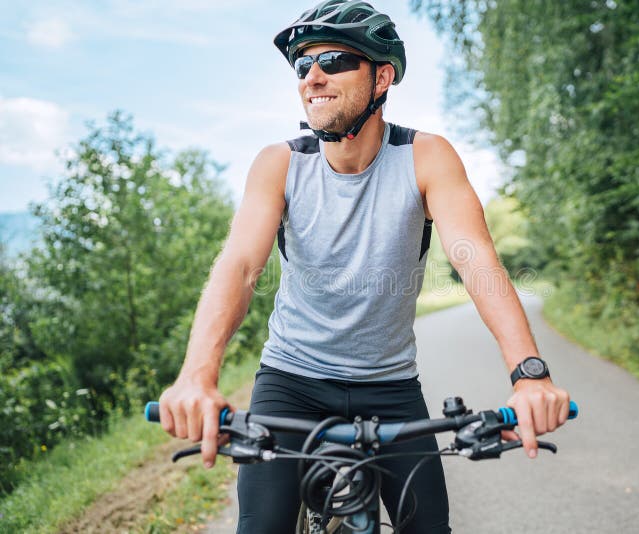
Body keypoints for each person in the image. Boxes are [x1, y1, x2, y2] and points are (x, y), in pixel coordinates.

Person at [157, 1, 571, 532]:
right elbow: (239, 266)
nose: (313, 76)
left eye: (333, 59)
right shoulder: (279, 164)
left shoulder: (425, 156)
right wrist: (197, 375)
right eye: (303, 65)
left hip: (390, 387)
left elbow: (477, 263)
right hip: (291, 381)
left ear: (383, 76)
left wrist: (529, 374)